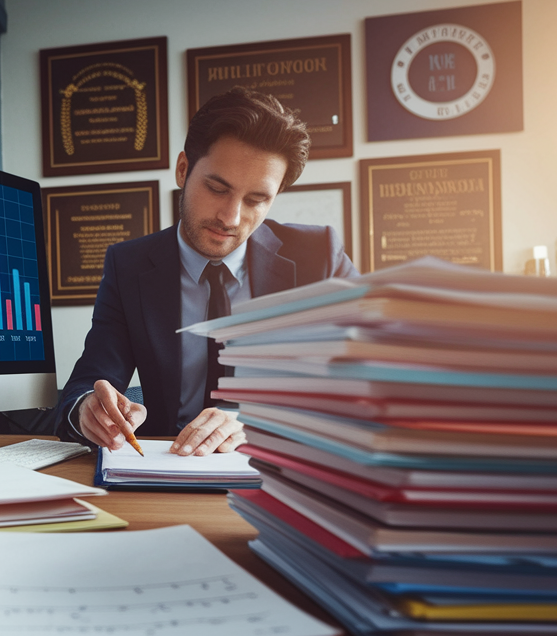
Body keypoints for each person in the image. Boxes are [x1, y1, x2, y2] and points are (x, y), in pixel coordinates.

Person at [56, 86, 359, 456]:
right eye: (217, 188)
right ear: (183, 170)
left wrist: (252, 420)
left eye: (256, 199)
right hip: (169, 466)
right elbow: (88, 380)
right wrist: (89, 408)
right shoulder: (128, 266)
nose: (230, 218)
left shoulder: (319, 258)